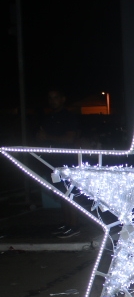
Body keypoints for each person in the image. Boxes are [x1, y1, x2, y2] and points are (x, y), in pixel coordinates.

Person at [37, 88, 82, 238]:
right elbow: (41, 136)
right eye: (50, 98)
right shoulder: (48, 117)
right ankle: (67, 223)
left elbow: (69, 138)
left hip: (67, 161)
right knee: (61, 194)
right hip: (52, 161)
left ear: (62, 99)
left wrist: (48, 137)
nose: (52, 101)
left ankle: (74, 225)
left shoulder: (68, 117)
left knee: (70, 193)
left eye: (56, 97)